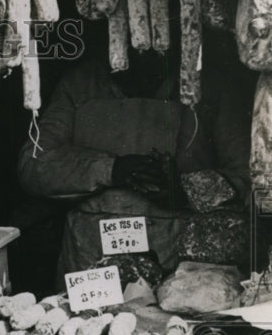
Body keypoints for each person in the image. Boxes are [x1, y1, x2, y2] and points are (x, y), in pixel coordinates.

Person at [16, 33, 254, 284]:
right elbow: (32, 164)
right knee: (86, 323)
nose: (142, 53)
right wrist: (111, 169)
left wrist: (185, 190)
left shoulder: (209, 86)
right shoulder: (81, 83)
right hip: (91, 258)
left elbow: (247, 174)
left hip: (178, 264)